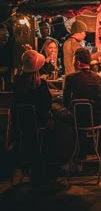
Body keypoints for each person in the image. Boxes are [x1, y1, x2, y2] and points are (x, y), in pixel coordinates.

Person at [12, 50, 52, 183]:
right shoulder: (41, 85)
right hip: (39, 125)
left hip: (20, 126)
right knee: (52, 127)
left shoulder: (17, 83)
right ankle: (46, 168)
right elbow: (47, 105)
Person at [63, 47, 101, 161]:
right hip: (95, 120)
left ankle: (69, 156)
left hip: (77, 119)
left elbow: (65, 102)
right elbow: (100, 103)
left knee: (57, 109)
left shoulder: (70, 78)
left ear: (78, 62)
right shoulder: (98, 78)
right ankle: (92, 151)